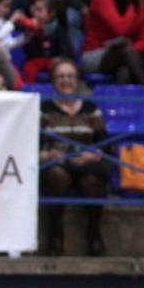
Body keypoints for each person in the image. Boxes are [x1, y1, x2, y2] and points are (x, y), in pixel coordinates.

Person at [39, 58, 110, 256]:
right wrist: (48, 154)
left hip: (85, 164)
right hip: (57, 162)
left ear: (77, 80)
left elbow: (104, 144)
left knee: (92, 181)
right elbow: (32, 144)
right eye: (60, 76)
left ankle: (94, 233)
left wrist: (93, 155)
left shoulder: (90, 108)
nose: (66, 80)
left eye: (70, 76)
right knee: (56, 175)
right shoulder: (43, 109)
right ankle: (56, 234)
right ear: (53, 81)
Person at [82, 0, 144, 92]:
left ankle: (122, 109)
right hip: (95, 55)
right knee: (124, 51)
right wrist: (131, 7)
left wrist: (132, 51)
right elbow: (120, 28)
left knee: (125, 70)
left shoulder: (141, 6)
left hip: (125, 55)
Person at [20, 0, 74, 82]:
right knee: (29, 68)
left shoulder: (59, 30)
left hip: (53, 61)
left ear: (51, 13)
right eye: (35, 9)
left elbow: (67, 51)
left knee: (61, 68)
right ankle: (27, 91)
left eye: (39, 10)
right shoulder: (30, 28)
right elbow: (28, 51)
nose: (35, 13)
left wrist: (59, 58)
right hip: (36, 61)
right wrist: (31, 34)